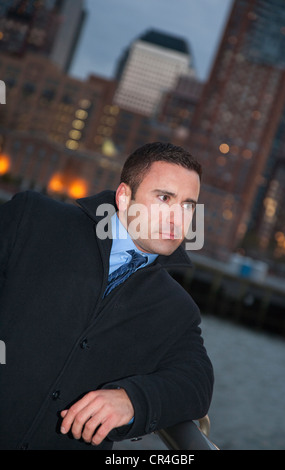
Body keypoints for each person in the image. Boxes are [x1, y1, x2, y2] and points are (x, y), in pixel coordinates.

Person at [0, 142, 214, 450]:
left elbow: (196, 385)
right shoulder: (34, 219)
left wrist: (133, 401)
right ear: (125, 197)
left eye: (188, 205)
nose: (177, 218)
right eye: (165, 198)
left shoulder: (177, 310)